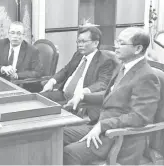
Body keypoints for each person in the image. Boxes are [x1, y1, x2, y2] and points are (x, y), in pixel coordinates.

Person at [63, 27, 160, 165]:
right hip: (102, 126)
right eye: (117, 41)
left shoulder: (147, 76)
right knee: (56, 136)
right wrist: (83, 96)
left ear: (138, 49)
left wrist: (103, 125)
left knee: (70, 152)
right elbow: (113, 96)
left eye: (121, 43)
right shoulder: (124, 66)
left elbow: (140, 117)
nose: (116, 46)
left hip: (118, 137)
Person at [40, 26, 116, 121]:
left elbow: (102, 84)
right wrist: (52, 81)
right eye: (78, 41)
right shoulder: (78, 55)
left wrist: (84, 92)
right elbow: (65, 70)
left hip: (80, 102)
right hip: (63, 95)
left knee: (45, 115)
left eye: (83, 41)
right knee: (37, 100)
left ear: (96, 43)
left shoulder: (105, 60)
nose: (80, 45)